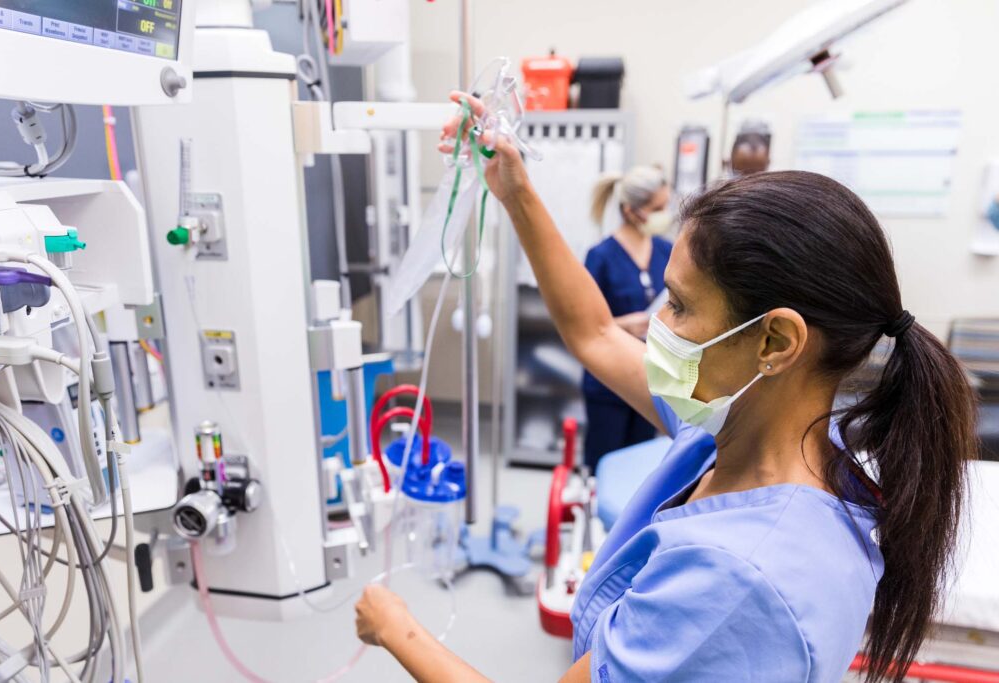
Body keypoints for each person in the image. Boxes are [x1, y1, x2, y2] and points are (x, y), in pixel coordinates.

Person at [354, 92, 976, 683]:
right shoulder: (747, 431)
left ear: (775, 343)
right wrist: (515, 191)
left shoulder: (738, 575)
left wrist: (396, 627)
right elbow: (594, 331)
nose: (656, 324)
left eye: (677, 305)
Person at [580, 166, 673, 471]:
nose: (665, 214)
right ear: (631, 211)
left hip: (651, 376)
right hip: (608, 379)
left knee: (640, 465)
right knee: (605, 463)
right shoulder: (601, 256)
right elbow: (583, 323)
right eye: (657, 209)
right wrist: (624, 324)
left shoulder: (666, 251)